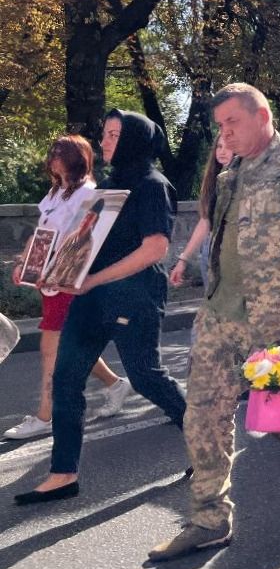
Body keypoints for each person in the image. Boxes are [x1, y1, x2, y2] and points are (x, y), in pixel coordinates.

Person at [148, 85, 280, 560]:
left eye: (232, 123)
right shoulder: (230, 174)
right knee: (202, 416)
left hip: (276, 317)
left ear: (261, 115)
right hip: (222, 314)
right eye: (220, 125)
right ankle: (209, 518)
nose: (225, 133)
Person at [16, 111, 187, 506]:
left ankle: (206, 439)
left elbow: (155, 249)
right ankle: (63, 474)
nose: (105, 142)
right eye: (105, 134)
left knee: (146, 378)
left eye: (114, 135)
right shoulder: (107, 187)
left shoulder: (153, 185)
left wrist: (93, 279)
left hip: (136, 296)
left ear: (134, 140)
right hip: (90, 297)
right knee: (65, 379)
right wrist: (56, 273)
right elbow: (82, 243)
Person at [5, 137, 129, 442]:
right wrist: (25, 262)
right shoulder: (57, 192)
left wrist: (55, 273)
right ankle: (116, 384)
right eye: (53, 152)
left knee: (51, 348)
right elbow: (43, 234)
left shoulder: (87, 194)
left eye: (61, 153)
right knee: (67, 347)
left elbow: (80, 240)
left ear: (77, 158)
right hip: (49, 279)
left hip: (65, 281)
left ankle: (45, 416)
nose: (54, 157)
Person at [171, 135, 233, 289]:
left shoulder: (246, 180)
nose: (222, 151)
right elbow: (205, 221)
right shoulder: (213, 180)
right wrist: (183, 260)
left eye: (228, 147)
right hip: (211, 251)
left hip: (234, 253)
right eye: (219, 147)